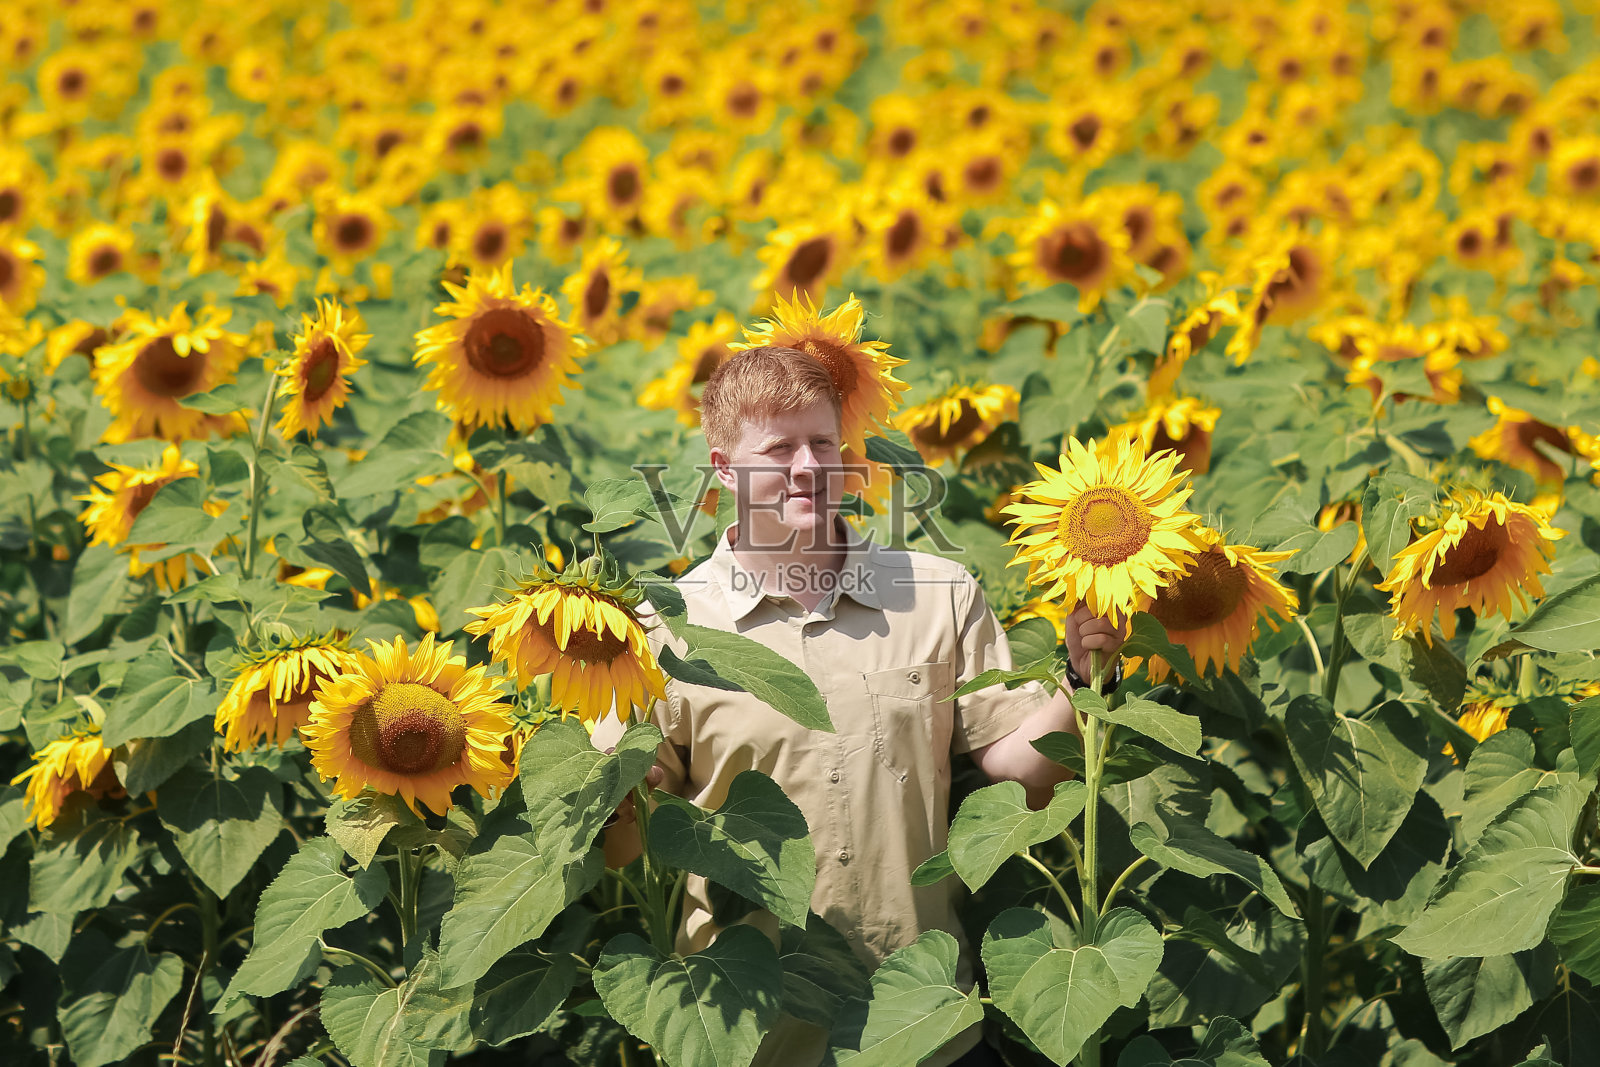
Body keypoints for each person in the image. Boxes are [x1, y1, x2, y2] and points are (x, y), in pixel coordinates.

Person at [594, 345, 1126, 1067]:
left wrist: (1081, 680)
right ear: (724, 469)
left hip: (925, 1023)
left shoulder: (936, 596)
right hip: (755, 1032)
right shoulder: (664, 628)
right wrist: (614, 788)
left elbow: (1019, 767)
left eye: (822, 442)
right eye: (779, 448)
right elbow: (622, 848)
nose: (809, 468)